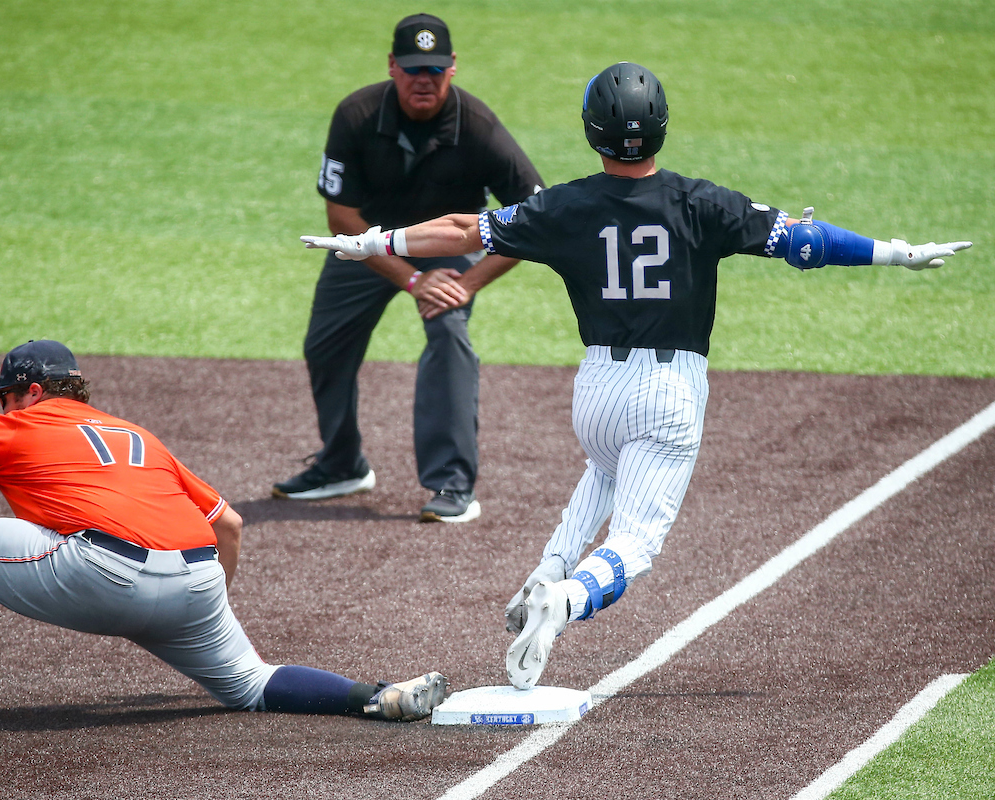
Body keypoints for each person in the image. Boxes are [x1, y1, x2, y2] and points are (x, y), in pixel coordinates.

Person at [300, 62, 972, 689]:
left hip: (596, 391)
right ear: (661, 125)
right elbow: (804, 242)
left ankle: (547, 574)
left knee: (603, 472)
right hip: (669, 392)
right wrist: (895, 253)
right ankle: (567, 600)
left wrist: (371, 243)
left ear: (592, 131)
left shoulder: (563, 208)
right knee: (637, 543)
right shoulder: (701, 203)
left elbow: (457, 229)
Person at [0, 340, 447, 723]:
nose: (0, 408)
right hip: (196, 580)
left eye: (3, 397)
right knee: (249, 683)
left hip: (105, 573)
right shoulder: (136, 434)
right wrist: (205, 605)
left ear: (26, 392)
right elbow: (229, 523)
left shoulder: (23, 423)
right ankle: (377, 695)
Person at [272, 13, 544, 523]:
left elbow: (536, 222)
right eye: (415, 68)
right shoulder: (356, 114)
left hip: (449, 247)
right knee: (325, 343)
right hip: (369, 244)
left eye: (436, 69)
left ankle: (452, 484)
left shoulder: (480, 129)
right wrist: (411, 279)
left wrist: (466, 282)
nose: (425, 79)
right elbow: (341, 217)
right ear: (393, 66)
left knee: (449, 337)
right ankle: (341, 463)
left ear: (453, 68)